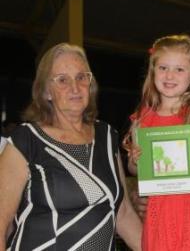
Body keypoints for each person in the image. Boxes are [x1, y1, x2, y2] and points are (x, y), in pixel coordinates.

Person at [0, 43, 142, 250]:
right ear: (46, 91)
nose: (75, 88)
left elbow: (123, 214)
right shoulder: (26, 140)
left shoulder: (107, 136)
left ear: (90, 84)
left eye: (81, 77)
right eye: (63, 80)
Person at [124, 34, 190, 251]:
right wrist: (135, 159)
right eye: (163, 67)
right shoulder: (142, 120)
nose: (170, 75)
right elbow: (134, 170)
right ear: (153, 72)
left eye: (179, 69)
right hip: (160, 210)